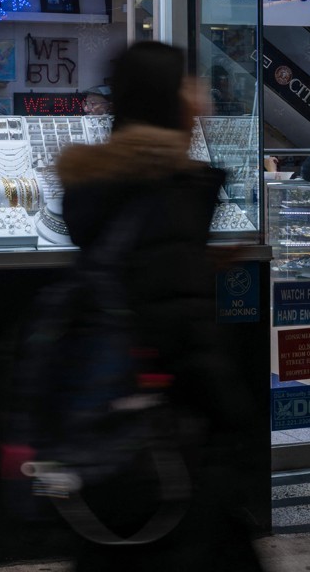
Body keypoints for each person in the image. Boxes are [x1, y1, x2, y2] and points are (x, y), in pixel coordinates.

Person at [54, 41, 263, 572]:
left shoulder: (105, 190)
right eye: (188, 83)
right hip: (165, 446)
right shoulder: (168, 195)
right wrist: (234, 418)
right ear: (168, 100)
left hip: (110, 438)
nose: (200, 94)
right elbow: (179, 328)